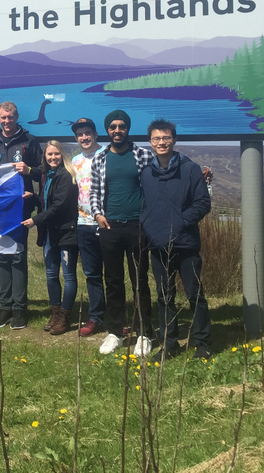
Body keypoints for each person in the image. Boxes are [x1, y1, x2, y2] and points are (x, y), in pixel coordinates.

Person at [140, 120, 213, 361]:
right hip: (158, 244)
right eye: (156, 139)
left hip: (185, 243)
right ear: (150, 142)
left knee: (194, 293)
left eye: (166, 138)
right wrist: (147, 226)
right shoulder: (146, 173)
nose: (161, 142)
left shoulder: (190, 169)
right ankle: (170, 344)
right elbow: (144, 205)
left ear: (174, 139)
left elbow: (202, 203)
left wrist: (180, 222)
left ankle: (202, 343)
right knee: (164, 296)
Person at [89, 109, 154, 356]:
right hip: (109, 227)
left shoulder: (143, 156)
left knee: (140, 281)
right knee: (113, 282)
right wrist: (97, 214)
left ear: (127, 128)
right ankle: (115, 332)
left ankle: (144, 334)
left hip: (137, 226)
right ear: (108, 130)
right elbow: (93, 192)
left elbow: (154, 186)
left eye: (122, 126)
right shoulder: (100, 158)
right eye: (113, 127)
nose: (117, 131)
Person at [0, 101, 42, 331]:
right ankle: (4, 307)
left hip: (20, 207)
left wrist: (30, 172)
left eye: (11, 117)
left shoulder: (29, 141)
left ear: (16, 117)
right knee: (2, 257)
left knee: (17, 256)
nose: (7, 121)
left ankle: (18, 309)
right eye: (3, 118)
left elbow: (44, 172)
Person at [22, 140, 78, 335]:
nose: (53, 157)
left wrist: (35, 220)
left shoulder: (66, 176)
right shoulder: (47, 176)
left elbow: (59, 206)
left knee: (68, 276)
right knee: (51, 275)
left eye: (56, 154)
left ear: (62, 155)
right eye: (49, 155)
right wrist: (34, 197)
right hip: (49, 233)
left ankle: (65, 316)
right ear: (44, 157)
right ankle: (54, 313)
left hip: (66, 231)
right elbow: (48, 202)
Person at [70, 118, 106, 338]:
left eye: (87, 133)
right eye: (80, 134)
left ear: (95, 134)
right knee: (92, 274)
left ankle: (117, 317)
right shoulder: (74, 161)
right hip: (83, 224)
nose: (84, 137)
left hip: (107, 222)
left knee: (112, 273)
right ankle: (96, 317)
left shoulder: (108, 155)